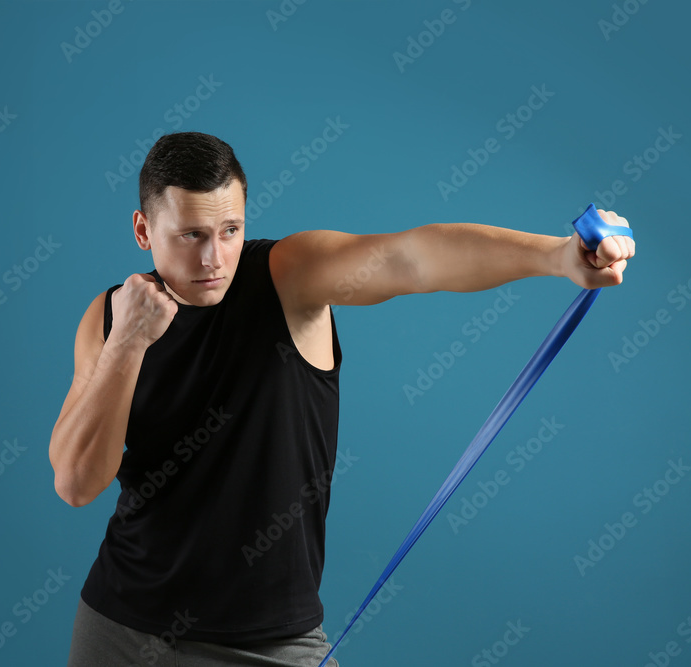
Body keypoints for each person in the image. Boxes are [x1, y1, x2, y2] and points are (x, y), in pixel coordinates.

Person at [50, 131, 634, 666]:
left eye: (230, 231)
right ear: (143, 231)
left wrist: (556, 257)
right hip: (120, 629)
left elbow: (411, 258)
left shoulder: (290, 276)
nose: (213, 259)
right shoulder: (107, 317)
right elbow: (77, 483)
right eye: (190, 236)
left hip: (269, 645)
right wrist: (127, 341)